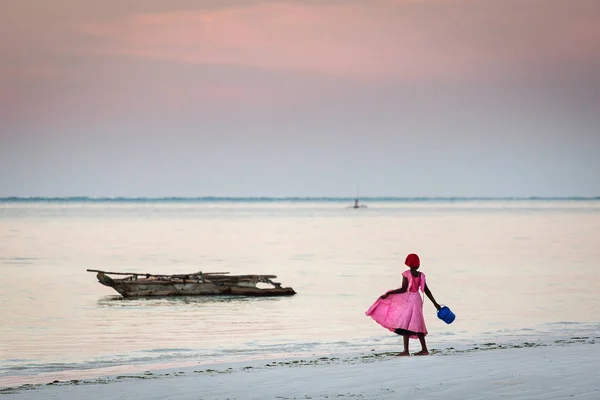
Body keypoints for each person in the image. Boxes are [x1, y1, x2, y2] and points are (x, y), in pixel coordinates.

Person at [365, 253, 441, 356]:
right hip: (417, 300)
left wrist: (389, 293)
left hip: (409, 300)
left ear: (408, 264)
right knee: (418, 324)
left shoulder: (406, 274)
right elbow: (426, 291)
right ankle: (424, 349)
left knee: (405, 324)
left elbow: (403, 289)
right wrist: (435, 303)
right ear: (418, 264)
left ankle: (406, 351)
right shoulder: (421, 275)